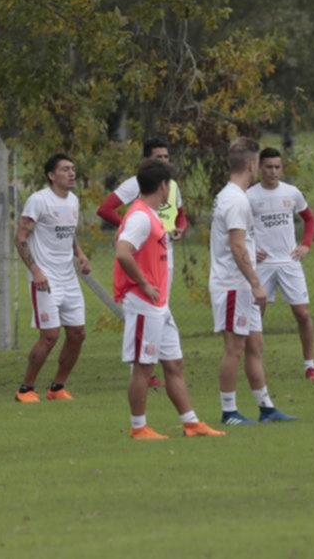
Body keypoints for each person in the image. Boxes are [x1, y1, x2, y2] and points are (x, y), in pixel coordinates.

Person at [114, 159, 225, 439]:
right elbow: (123, 252)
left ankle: (191, 423)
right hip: (143, 302)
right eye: (170, 185)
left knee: (174, 363)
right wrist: (143, 283)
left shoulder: (150, 214)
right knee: (143, 366)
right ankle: (139, 427)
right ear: (163, 186)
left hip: (159, 305)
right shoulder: (140, 216)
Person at [210, 137, 296, 425]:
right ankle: (228, 411)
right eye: (259, 163)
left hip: (244, 285)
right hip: (233, 285)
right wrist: (257, 283)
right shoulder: (235, 199)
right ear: (250, 164)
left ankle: (266, 408)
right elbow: (236, 246)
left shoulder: (236, 197)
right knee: (234, 348)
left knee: (255, 346)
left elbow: (239, 243)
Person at [97, 137, 187, 389]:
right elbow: (105, 209)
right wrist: (126, 228)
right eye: (158, 157)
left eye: (167, 157)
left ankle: (156, 361)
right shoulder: (135, 185)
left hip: (164, 256)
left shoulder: (171, 186)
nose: (164, 161)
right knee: (145, 307)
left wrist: (179, 228)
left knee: (161, 309)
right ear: (146, 160)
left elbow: (180, 216)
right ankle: (142, 367)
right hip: (142, 256)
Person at [13, 154, 91, 403]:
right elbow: (21, 238)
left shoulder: (74, 201)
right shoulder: (38, 201)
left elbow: (69, 233)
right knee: (50, 336)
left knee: (78, 333)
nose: (71, 173)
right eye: (65, 169)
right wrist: (36, 271)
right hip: (45, 280)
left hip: (69, 279)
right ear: (51, 175)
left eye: (73, 169)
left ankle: (57, 387)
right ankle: (26, 389)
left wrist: (79, 254)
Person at [246, 148, 314, 381]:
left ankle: (309, 365)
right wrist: (250, 249)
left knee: (303, 313)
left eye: (277, 167)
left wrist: (306, 244)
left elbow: (309, 218)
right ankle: (255, 365)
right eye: (268, 167)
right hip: (263, 265)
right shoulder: (249, 196)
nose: (273, 171)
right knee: (256, 316)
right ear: (260, 168)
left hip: (289, 262)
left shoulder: (292, 192)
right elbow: (239, 228)